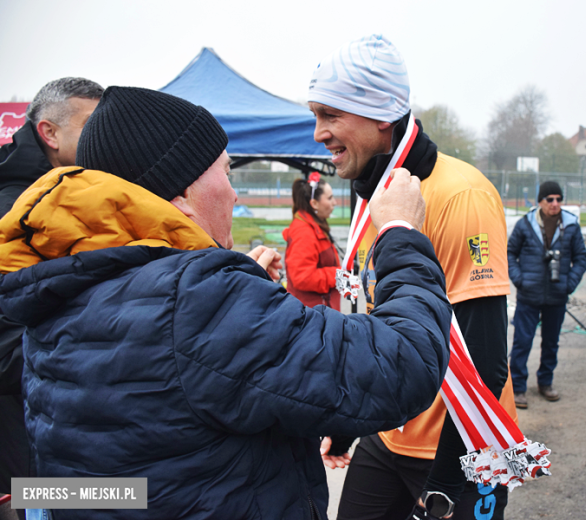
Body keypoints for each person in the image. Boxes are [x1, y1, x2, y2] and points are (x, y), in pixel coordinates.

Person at [0, 86, 453, 520]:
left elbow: (135, 453)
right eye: (226, 171)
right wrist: (401, 235)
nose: (234, 193)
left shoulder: (64, 285)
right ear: (180, 196)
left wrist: (242, 296)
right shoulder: (198, 299)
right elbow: (404, 365)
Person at [308, 35, 517, 519]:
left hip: (464, 449)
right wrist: (347, 425)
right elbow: (373, 318)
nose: (318, 133)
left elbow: (486, 362)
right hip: (391, 430)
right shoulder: (380, 194)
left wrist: (444, 487)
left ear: (382, 114)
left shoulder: (460, 194)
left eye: (331, 115)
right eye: (315, 115)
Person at [0, 77, 103, 520]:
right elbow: (10, 346)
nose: (103, 139)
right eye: (91, 127)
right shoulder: (19, 211)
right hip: (28, 427)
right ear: (49, 133)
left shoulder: (69, 194)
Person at [507, 181, 586, 409]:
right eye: (550, 199)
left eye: (559, 199)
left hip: (557, 296)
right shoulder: (525, 224)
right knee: (522, 343)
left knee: (551, 343)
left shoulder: (571, 225)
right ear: (540, 201)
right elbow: (510, 253)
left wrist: (569, 283)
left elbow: (581, 258)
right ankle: (518, 387)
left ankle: (545, 382)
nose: (555, 204)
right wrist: (520, 280)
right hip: (528, 295)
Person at [282, 176, 341, 309]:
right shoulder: (304, 232)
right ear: (314, 204)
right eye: (330, 198)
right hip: (313, 316)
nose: (335, 203)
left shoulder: (313, 226)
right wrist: (338, 275)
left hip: (318, 312)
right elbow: (303, 277)